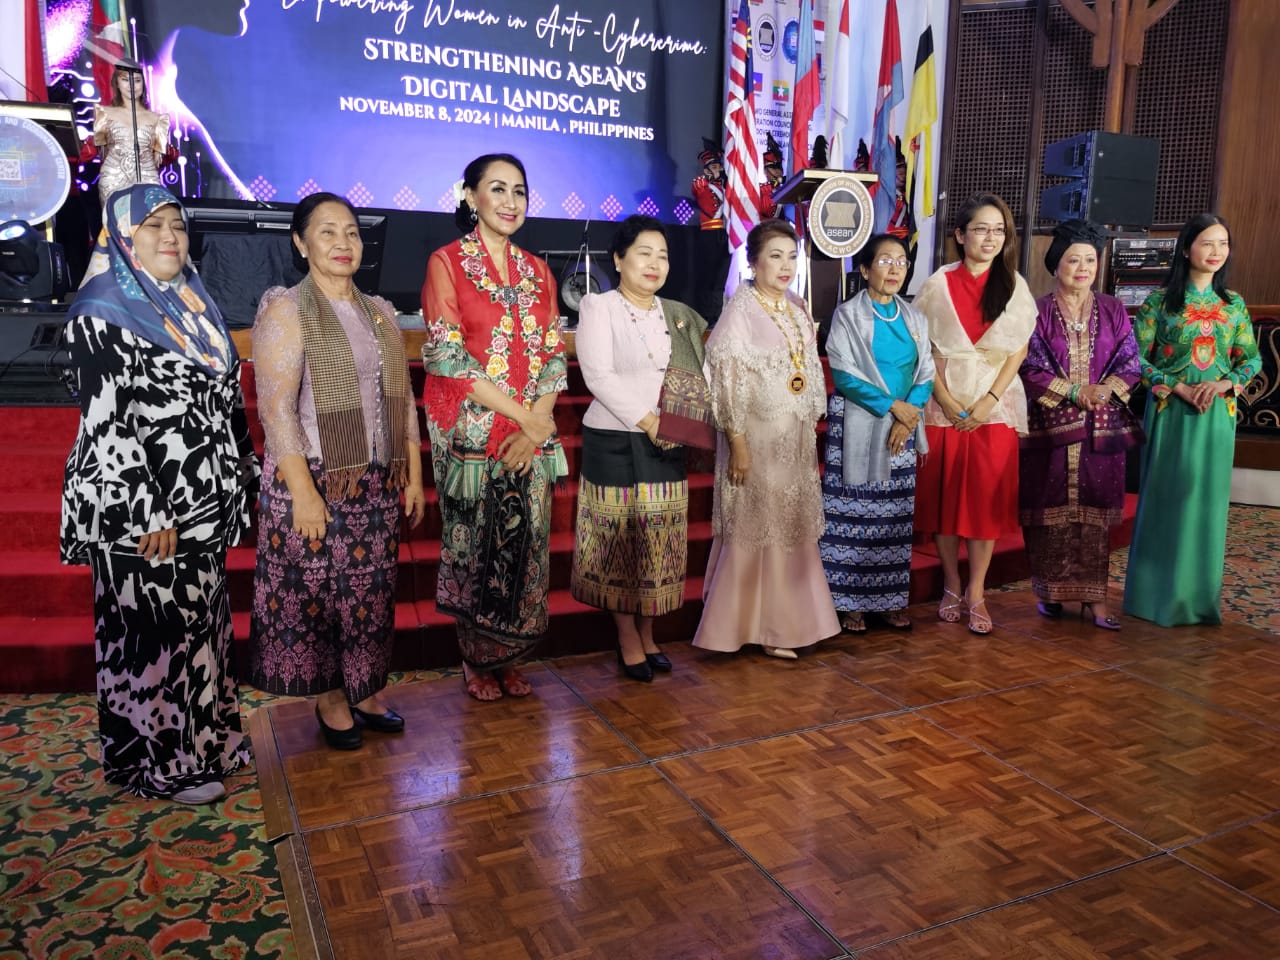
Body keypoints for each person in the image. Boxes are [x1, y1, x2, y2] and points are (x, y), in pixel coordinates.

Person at [60, 183, 256, 803]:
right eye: (154, 226)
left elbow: (226, 400)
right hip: (142, 511)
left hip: (201, 503)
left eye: (177, 224)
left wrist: (244, 471)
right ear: (123, 237)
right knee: (154, 638)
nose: (171, 236)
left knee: (202, 628)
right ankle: (167, 764)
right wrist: (147, 509)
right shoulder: (102, 308)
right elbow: (106, 424)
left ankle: (212, 742)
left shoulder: (193, 301)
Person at [248, 191, 425, 750]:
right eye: (326, 232)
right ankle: (330, 698)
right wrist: (303, 493)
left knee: (370, 596)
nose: (343, 242)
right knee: (318, 598)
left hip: (375, 479)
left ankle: (366, 689)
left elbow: (403, 400)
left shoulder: (380, 311)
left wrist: (414, 475)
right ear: (300, 244)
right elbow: (276, 410)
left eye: (351, 231)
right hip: (315, 476)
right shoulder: (287, 309)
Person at [421, 154, 567, 701]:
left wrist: (535, 425)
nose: (510, 201)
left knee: (526, 543)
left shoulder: (538, 271)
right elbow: (447, 355)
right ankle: (475, 660)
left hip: (531, 432)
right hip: (473, 431)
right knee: (477, 544)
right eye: (497, 189)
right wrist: (525, 417)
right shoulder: (447, 262)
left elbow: (553, 353)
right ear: (471, 196)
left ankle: (510, 656)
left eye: (519, 191)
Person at [570, 215, 709, 682]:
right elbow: (598, 375)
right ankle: (627, 636)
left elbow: (699, 377)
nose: (654, 264)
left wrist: (684, 423)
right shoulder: (599, 306)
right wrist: (650, 421)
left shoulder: (678, 314)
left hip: (667, 440)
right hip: (615, 439)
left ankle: (649, 633)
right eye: (644, 253)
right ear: (619, 259)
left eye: (662, 255)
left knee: (658, 541)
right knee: (619, 543)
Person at [693, 218, 839, 657]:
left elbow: (805, 369)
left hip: (792, 437)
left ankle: (791, 623)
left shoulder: (795, 306)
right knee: (758, 524)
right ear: (753, 262)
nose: (785, 265)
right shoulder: (740, 311)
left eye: (792, 257)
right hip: (755, 436)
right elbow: (725, 382)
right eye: (775, 256)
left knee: (790, 523)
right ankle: (756, 629)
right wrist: (737, 441)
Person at [1124, 214, 1261, 626]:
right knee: (1168, 500)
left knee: (1207, 503)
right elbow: (1136, 360)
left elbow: (1251, 359)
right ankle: (1156, 599)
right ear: (1186, 249)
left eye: (1223, 243)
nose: (1216, 252)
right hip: (1171, 412)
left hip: (1217, 415)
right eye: (1207, 243)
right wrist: (1177, 387)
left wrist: (1223, 384)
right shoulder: (1159, 303)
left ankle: (1199, 601)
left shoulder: (1233, 304)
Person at [913, 193, 1036, 634]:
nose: (990, 238)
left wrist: (989, 401)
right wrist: (945, 400)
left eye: (999, 230)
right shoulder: (938, 283)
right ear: (960, 235)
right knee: (946, 501)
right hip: (944, 403)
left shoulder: (1014, 284)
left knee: (984, 503)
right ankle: (951, 584)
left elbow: (1018, 350)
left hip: (994, 407)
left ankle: (977, 591)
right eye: (981, 229)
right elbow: (923, 348)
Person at [1019, 220, 1143, 629]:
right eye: (1074, 260)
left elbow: (1130, 361)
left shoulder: (1113, 310)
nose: (1083, 268)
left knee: (1094, 514)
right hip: (1051, 428)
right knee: (1050, 511)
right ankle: (1050, 593)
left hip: (1100, 428)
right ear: (1056, 264)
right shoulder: (1036, 311)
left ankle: (1096, 599)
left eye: (1090, 260)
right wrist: (1073, 391)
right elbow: (1027, 365)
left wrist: (1105, 390)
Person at [820, 234, 934, 632]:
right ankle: (849, 603)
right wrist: (892, 406)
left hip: (903, 426)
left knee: (893, 516)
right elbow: (844, 375)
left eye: (901, 262)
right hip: (858, 420)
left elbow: (926, 372)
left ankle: (889, 600)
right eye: (885, 261)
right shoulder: (848, 315)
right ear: (866, 270)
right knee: (853, 513)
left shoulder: (914, 317)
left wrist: (908, 414)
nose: (895, 269)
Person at [84, 64, 176, 206]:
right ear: (117, 83)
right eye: (125, 80)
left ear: (143, 84)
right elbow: (101, 152)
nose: (132, 85)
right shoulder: (103, 113)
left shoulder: (159, 119)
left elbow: (158, 159)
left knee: (149, 217)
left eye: (137, 80)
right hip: (113, 180)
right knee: (119, 218)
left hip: (148, 179)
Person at [691, 141, 731, 321]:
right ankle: (705, 316)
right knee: (708, 277)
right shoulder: (700, 183)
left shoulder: (726, 186)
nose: (719, 170)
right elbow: (700, 193)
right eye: (714, 166)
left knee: (721, 278)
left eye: (719, 166)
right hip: (708, 234)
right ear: (706, 168)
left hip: (724, 233)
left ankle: (717, 315)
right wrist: (713, 178)